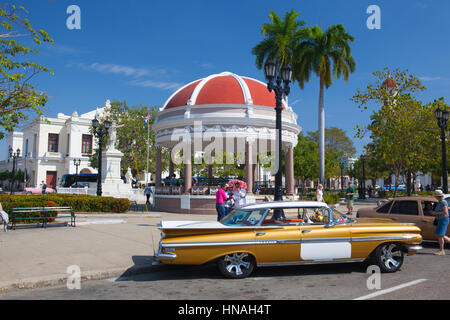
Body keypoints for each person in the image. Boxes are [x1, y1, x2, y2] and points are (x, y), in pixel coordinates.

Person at [430, 190, 450, 255]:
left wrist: (435, 213)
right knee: (440, 235)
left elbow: (445, 212)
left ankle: (441, 250)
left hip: (443, 219)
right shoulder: (440, 202)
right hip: (441, 219)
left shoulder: (443, 202)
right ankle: (441, 250)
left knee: (440, 235)